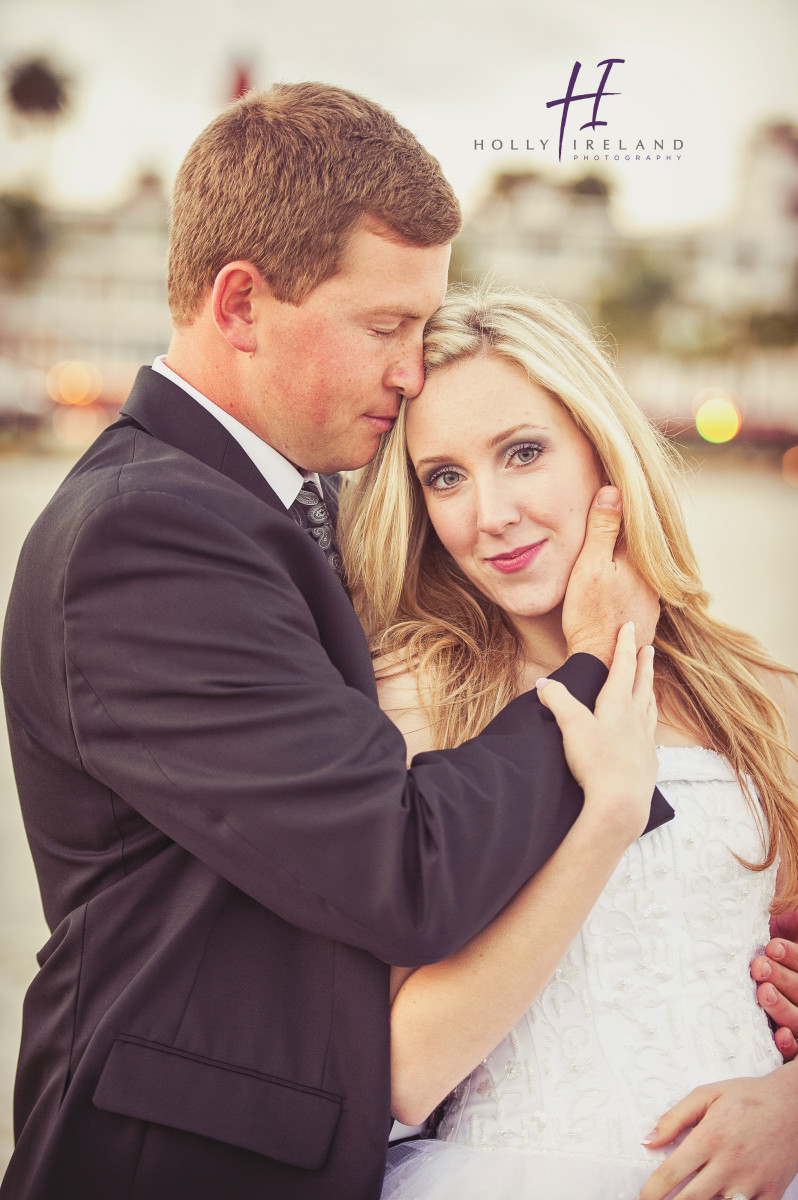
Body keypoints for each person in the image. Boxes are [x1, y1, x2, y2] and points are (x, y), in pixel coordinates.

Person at [0, 85, 672, 1200]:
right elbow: (401, 870)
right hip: (177, 1165)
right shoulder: (147, 532)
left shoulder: (264, 507)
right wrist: (589, 667)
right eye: (387, 326)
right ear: (241, 302)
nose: (412, 371)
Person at [337, 286, 798, 1200]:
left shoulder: (757, 699)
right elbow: (404, 1067)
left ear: (602, 446)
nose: (492, 514)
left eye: (523, 452)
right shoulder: (408, 703)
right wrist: (608, 814)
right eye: (446, 476)